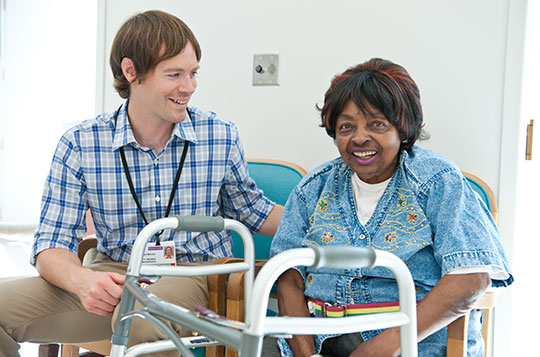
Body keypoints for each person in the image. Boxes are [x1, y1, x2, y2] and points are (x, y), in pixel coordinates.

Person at [0, 10, 282, 356]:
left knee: (142, 320)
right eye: (174, 74)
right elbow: (50, 243)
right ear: (130, 71)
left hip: (193, 276)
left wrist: (331, 221)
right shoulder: (80, 143)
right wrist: (83, 280)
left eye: (193, 74)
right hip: (115, 275)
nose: (189, 87)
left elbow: (254, 212)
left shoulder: (219, 135)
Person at [265, 58, 513, 356]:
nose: (359, 137)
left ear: (403, 128)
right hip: (322, 343)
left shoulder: (437, 181)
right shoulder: (313, 189)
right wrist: (305, 353)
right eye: (346, 126)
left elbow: (471, 277)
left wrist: (388, 344)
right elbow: (289, 275)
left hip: (414, 345)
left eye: (377, 124)